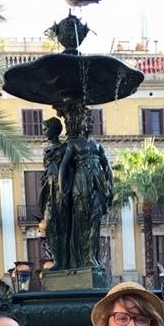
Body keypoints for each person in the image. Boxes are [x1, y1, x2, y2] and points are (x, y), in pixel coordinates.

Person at [58, 110, 113, 268]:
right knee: (81, 223)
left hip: (97, 187)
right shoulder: (74, 144)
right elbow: (63, 167)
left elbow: (107, 167)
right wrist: (62, 190)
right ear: (80, 123)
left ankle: (91, 257)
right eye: (86, 121)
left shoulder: (97, 146)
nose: (89, 123)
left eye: (91, 121)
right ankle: (80, 259)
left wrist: (111, 186)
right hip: (81, 186)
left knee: (94, 222)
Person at [38, 116, 69, 269]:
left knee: (63, 227)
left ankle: (65, 262)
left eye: (46, 129)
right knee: (50, 227)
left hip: (61, 191)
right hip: (48, 191)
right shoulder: (47, 150)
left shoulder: (65, 149)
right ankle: (58, 261)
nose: (43, 132)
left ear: (55, 130)